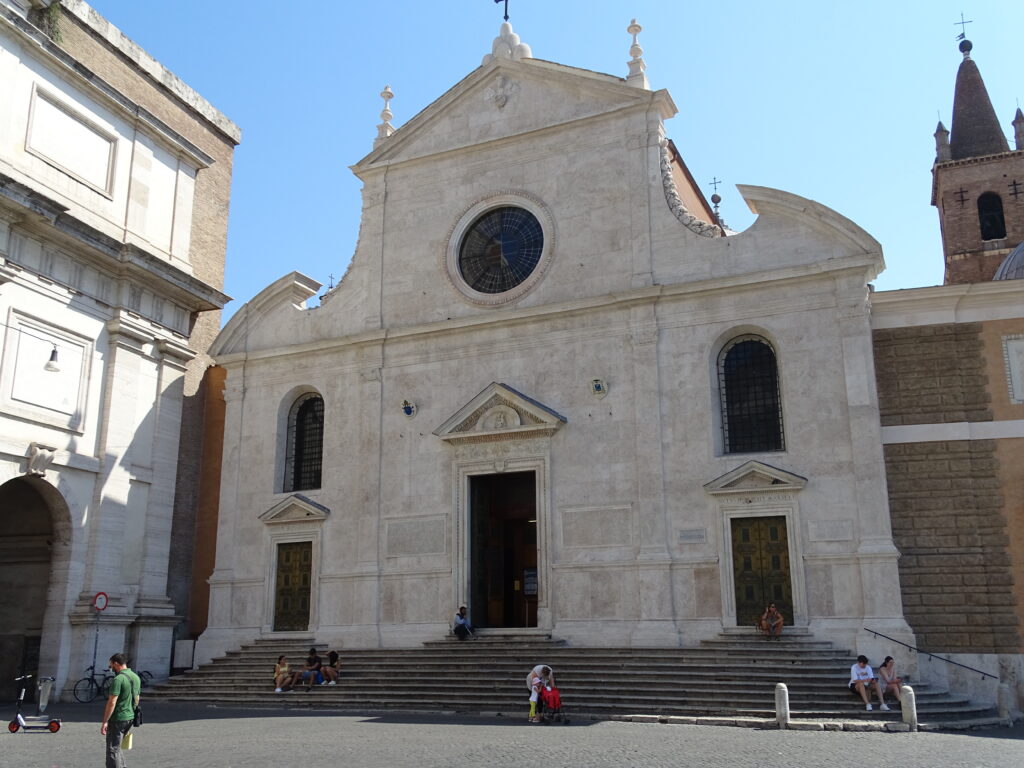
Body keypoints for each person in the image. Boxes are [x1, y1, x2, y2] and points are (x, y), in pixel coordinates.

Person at [101, 652, 141, 768]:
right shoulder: (135, 677)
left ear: (116, 664)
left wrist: (105, 721)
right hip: (130, 717)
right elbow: (137, 699)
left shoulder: (118, 679)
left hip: (118, 717)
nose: (110, 669)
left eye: (111, 666)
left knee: (112, 749)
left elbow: (112, 702)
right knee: (117, 748)